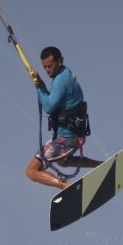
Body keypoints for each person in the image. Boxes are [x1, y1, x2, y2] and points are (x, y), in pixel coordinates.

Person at [25, 46, 101, 190]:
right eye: (45, 67)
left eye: (50, 66)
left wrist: (40, 86)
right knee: (63, 161)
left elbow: (48, 107)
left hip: (65, 140)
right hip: (76, 136)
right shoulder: (67, 74)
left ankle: (66, 187)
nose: (47, 70)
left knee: (31, 171)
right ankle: (100, 165)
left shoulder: (60, 81)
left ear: (60, 61)